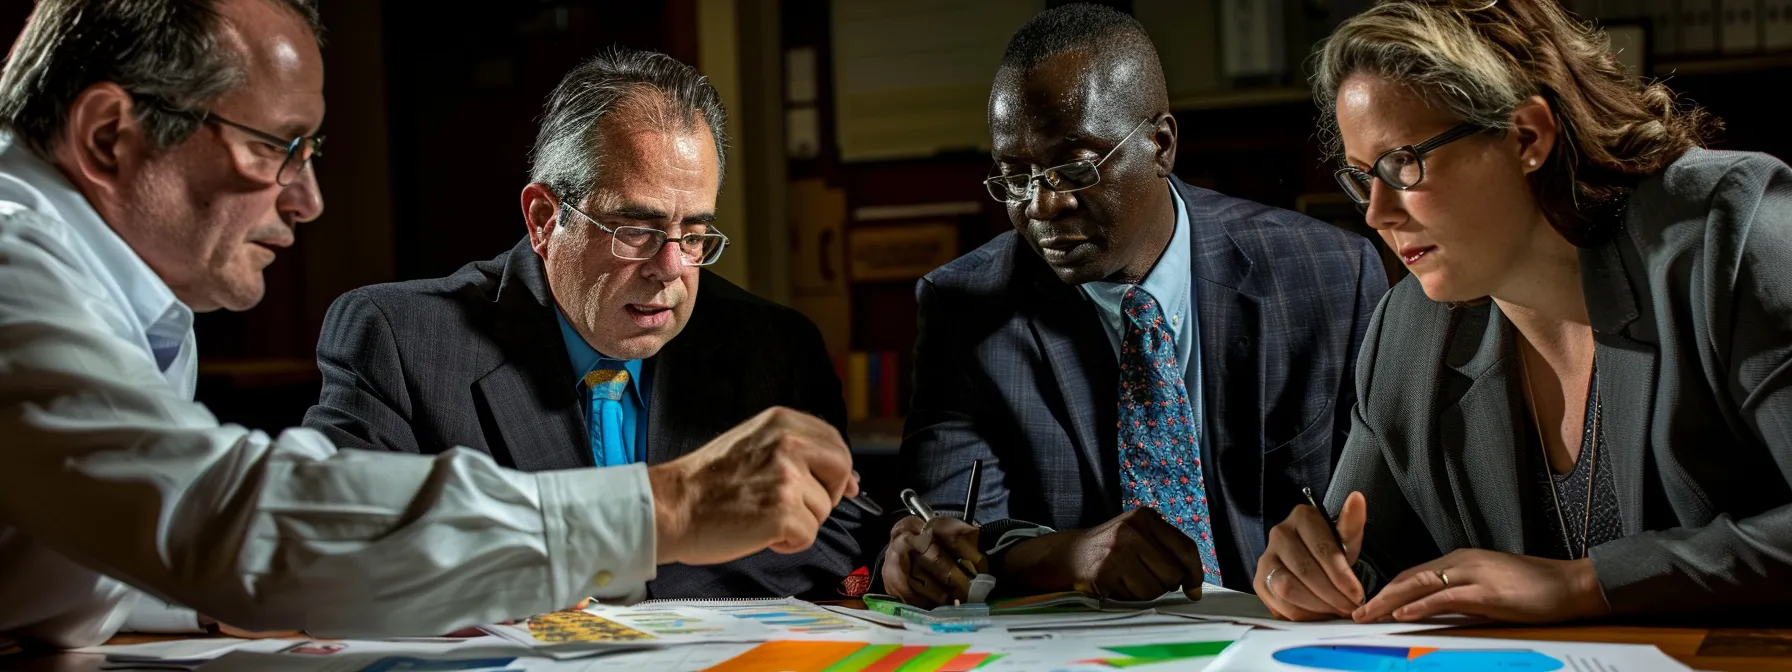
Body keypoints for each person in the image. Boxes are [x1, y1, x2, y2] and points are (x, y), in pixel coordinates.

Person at [0, 0, 855, 648]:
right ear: (109, 134)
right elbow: (226, 519)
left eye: (313, 154)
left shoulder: (132, 306)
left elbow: (118, 551)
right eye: (275, 148)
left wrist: (266, 590)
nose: (307, 199)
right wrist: (665, 506)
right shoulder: (11, 274)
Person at [1259, 0, 1792, 625]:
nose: (1377, 213)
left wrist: (1588, 585)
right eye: (1361, 177)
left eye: (1402, 163)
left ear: (1526, 136)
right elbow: (1373, 564)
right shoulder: (1407, 330)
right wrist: (1312, 572)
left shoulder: (1727, 233)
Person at [302, 47, 862, 601]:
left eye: (694, 234)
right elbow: (335, 552)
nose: (671, 269)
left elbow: (836, 534)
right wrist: (661, 529)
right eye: (636, 230)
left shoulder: (774, 346)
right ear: (545, 220)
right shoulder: (401, 339)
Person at [879, 3, 1388, 607]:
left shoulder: (1328, 274)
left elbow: (1395, 520)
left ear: (1160, 144)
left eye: (1072, 168)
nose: (1040, 206)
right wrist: (1066, 555)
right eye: (1015, 176)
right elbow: (956, 539)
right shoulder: (967, 307)